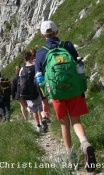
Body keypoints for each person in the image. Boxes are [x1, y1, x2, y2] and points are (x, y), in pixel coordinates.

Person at [35, 20, 96, 171]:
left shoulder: (41, 52)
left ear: (43, 35)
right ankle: (84, 143)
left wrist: (46, 94)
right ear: (57, 32)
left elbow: (39, 78)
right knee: (76, 120)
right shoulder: (67, 45)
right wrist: (81, 85)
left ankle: (72, 158)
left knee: (64, 124)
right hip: (74, 90)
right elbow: (79, 64)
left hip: (57, 95)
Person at [20, 51, 45, 132]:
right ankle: (43, 120)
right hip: (37, 91)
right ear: (31, 57)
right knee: (41, 108)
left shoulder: (21, 70)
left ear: (24, 60)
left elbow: (21, 83)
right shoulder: (35, 67)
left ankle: (38, 126)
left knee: (34, 110)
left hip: (28, 93)